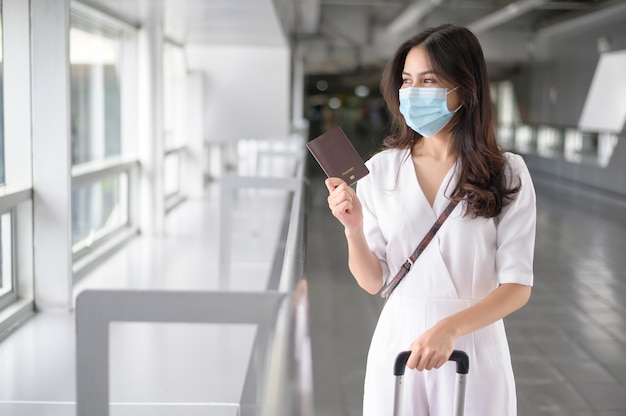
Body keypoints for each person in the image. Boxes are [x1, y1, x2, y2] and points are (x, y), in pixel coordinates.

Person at [324, 23, 536, 415]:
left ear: (465, 88)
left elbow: (517, 286)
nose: (413, 92)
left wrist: (451, 327)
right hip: (400, 340)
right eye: (407, 81)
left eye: (428, 80)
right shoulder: (381, 171)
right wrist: (352, 229)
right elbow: (373, 281)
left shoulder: (507, 173)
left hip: (474, 342)